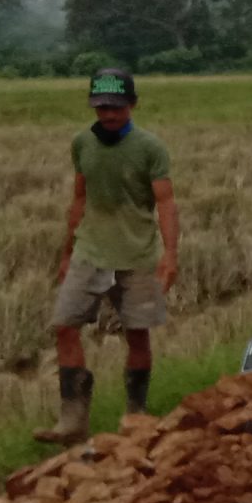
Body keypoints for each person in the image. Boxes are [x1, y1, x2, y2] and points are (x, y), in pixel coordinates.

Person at [37, 67, 179, 444]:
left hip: (136, 255)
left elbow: (165, 203)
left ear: (132, 105)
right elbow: (79, 197)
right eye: (101, 108)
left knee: (137, 334)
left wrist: (170, 256)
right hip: (90, 252)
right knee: (65, 325)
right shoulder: (82, 143)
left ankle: (136, 413)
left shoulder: (150, 148)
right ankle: (73, 418)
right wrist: (67, 251)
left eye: (116, 108)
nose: (109, 115)